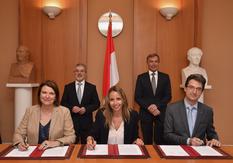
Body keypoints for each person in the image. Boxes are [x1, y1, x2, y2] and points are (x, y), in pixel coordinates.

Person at [13, 80, 76, 151]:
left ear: (56, 97)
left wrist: (55, 142)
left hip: (55, 153)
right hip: (33, 153)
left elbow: (71, 137)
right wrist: (20, 143)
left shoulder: (64, 112)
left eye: (51, 93)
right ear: (39, 94)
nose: (47, 96)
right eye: (44, 92)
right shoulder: (30, 111)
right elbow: (19, 134)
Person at [164, 74, 221, 147]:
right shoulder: (171, 108)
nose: (194, 92)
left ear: (202, 91)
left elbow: (211, 133)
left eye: (198, 89)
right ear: (185, 88)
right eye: (191, 87)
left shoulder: (207, 111)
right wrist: (188, 141)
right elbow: (167, 135)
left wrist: (214, 139)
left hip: (199, 153)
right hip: (178, 152)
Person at [86, 86, 144, 150]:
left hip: (125, 156)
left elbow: (134, 138)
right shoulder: (101, 114)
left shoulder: (133, 115)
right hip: (104, 155)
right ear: (108, 102)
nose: (115, 103)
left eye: (118, 99)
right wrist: (90, 140)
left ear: (123, 100)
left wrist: (137, 142)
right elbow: (92, 135)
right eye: (112, 100)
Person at [135, 53, 172, 145]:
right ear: (147, 63)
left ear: (158, 63)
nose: (153, 64)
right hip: (145, 113)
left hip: (161, 112)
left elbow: (168, 96)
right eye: (151, 61)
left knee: (160, 139)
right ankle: (149, 158)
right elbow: (137, 97)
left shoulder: (165, 77)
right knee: (147, 140)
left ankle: (160, 158)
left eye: (156, 61)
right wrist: (149, 107)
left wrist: (156, 106)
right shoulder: (141, 78)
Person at [61, 63, 100, 144]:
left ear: (85, 73)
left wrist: (86, 109)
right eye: (77, 71)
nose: (79, 73)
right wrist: (72, 108)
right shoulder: (68, 87)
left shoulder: (92, 87)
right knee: (70, 148)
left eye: (82, 71)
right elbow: (63, 103)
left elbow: (96, 104)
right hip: (71, 124)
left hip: (87, 124)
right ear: (74, 73)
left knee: (86, 148)